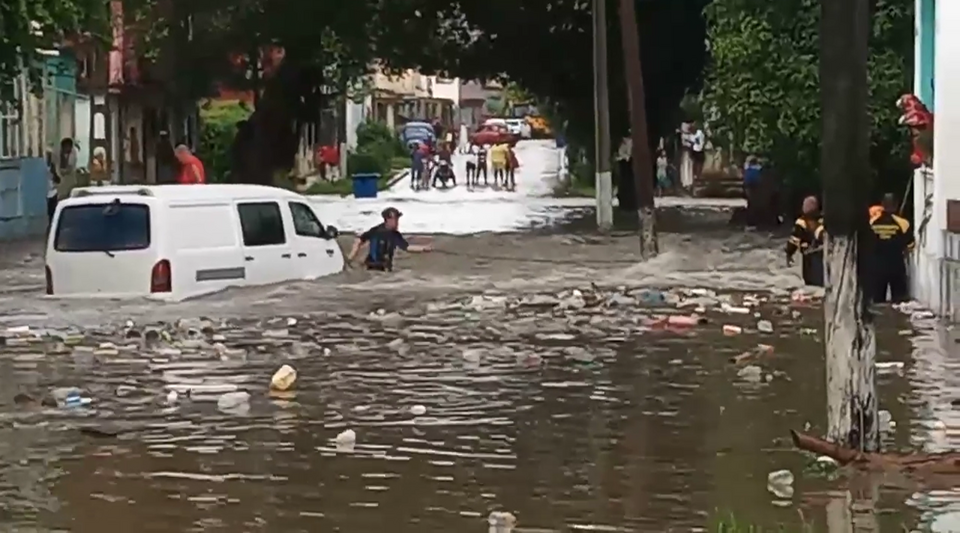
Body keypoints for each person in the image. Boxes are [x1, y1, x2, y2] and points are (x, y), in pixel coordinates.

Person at [346, 207, 432, 271]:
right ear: (388, 219)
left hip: (384, 268)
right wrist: (350, 258)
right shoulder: (376, 231)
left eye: (397, 220)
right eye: (395, 220)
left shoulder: (394, 234)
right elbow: (359, 241)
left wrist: (423, 248)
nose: (397, 222)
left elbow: (407, 247)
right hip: (372, 267)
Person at [869, 193, 915, 303]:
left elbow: (866, 243)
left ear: (882, 205)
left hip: (877, 267)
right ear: (896, 205)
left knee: (877, 302)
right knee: (900, 302)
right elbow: (910, 245)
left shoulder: (872, 223)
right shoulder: (903, 223)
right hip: (896, 266)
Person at [785, 195, 825, 286]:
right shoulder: (805, 224)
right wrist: (789, 252)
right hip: (813, 257)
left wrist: (789, 253)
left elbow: (793, 240)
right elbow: (794, 240)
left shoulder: (817, 224)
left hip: (811, 259)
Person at [743, 156, 763, 225]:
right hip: (757, 188)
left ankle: (751, 222)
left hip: (750, 188)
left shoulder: (748, 170)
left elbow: (746, 181)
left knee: (751, 205)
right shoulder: (759, 170)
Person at [46, 150, 60, 229]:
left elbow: (58, 179)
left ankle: (52, 225)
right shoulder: (44, 167)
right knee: (50, 212)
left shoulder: (52, 167)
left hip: (53, 193)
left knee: (52, 212)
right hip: (48, 193)